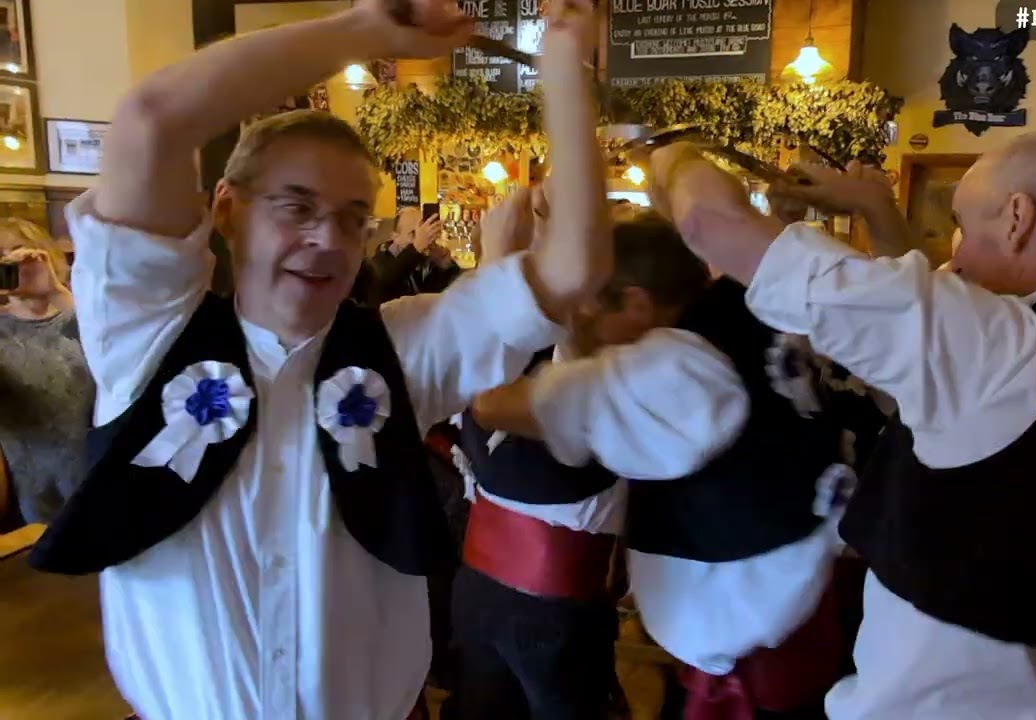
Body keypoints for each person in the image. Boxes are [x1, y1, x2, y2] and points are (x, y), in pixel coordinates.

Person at [27, 3, 610, 720]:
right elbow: (152, 120)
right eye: (295, 208)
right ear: (227, 208)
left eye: (352, 218)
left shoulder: (402, 352)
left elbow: (575, 268)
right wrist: (366, 29)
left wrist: (563, 63)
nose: (327, 239)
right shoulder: (145, 329)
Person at [644, 130, 1036, 719]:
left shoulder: (1001, 346)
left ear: (1018, 218)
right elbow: (930, 314)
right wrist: (873, 207)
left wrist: (671, 153)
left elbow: (709, 224)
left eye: (964, 228)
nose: (959, 256)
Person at [472, 205, 867, 719]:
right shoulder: (746, 306)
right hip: (789, 628)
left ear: (636, 302)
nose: (580, 321)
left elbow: (494, 406)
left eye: (589, 308)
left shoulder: (677, 370)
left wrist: (495, 264)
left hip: (749, 671)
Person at [448, 187, 635, 720]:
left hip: (559, 600)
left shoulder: (616, 351)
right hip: (482, 588)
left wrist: (500, 262)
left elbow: (508, 399)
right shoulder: (521, 332)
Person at [0, 218, 90, 527]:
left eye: (22, 253)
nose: (13, 263)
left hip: (99, 474)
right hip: (33, 489)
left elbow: (111, 351)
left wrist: (54, 290)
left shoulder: (82, 313)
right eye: (2, 257)